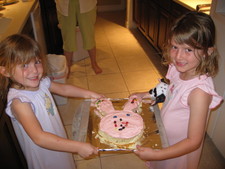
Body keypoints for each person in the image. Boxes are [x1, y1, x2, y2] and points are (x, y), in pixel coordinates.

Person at [132, 12, 223, 169]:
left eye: (188, 50)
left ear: (207, 52)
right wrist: (146, 94)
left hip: (179, 151)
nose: (178, 56)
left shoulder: (199, 93)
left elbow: (194, 141)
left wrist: (157, 155)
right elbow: (169, 88)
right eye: (175, 47)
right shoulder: (178, 69)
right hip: (165, 139)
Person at [0, 34, 104, 169]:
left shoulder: (41, 82)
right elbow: (39, 138)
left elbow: (64, 89)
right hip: (44, 154)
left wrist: (90, 94)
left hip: (56, 139)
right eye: (24, 65)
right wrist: (77, 147)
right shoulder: (20, 102)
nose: (34, 70)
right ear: (6, 71)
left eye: (37, 62)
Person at [55, 0, 102, 76]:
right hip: (65, 3)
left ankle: (94, 64)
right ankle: (68, 66)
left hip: (87, 3)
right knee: (68, 38)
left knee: (88, 35)